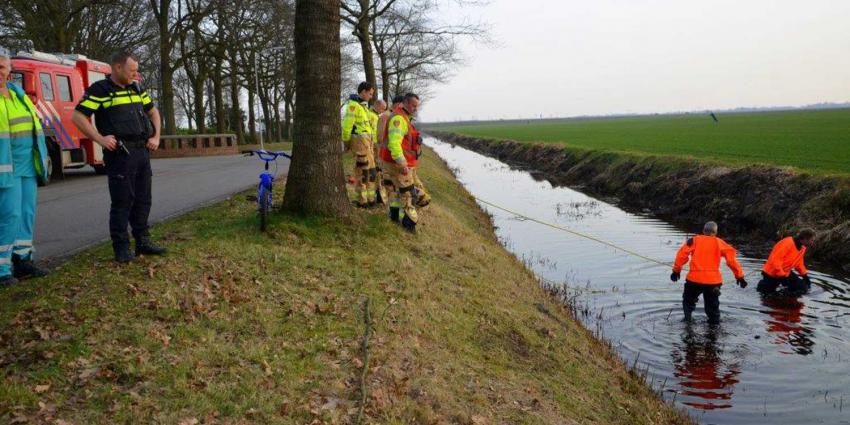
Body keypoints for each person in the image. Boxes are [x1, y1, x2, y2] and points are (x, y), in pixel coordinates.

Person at [71, 51, 166, 263]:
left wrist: (156, 136)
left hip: (142, 151)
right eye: (132, 70)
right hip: (120, 155)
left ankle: (143, 241)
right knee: (123, 201)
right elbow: (78, 116)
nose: (136, 74)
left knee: (143, 199)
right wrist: (100, 139)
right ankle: (121, 248)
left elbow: (153, 112)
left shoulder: (136, 88)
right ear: (117, 68)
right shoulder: (100, 90)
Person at [0, 50, 50, 286]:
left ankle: (23, 260)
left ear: (9, 69)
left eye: (1, 67)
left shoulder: (17, 93)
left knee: (26, 214)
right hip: (5, 169)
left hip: (27, 165)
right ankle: (2, 269)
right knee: (9, 216)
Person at [670, 221, 747, 324]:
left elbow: (681, 256)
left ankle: (688, 323)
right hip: (713, 283)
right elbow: (731, 261)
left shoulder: (694, 240)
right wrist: (739, 277)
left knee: (688, 302)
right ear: (715, 233)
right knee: (713, 308)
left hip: (694, 280)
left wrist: (676, 271)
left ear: (703, 231)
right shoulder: (720, 243)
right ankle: (714, 331)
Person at [380, 93, 432, 232]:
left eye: (417, 106)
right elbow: (394, 143)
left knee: (396, 192)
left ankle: (395, 216)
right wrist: (402, 163)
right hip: (399, 164)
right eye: (413, 105)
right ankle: (409, 225)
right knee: (408, 193)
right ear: (405, 103)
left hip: (398, 163)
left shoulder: (404, 118)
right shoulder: (399, 119)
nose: (416, 109)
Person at [341, 82, 377, 208]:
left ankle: (369, 200)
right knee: (363, 172)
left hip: (367, 144)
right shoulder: (354, 106)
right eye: (370, 93)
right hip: (361, 143)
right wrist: (346, 142)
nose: (371, 96)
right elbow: (346, 126)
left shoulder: (363, 107)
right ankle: (364, 200)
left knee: (370, 172)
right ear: (363, 92)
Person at [757, 229, 815, 294]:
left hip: (785, 272)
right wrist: (782, 277)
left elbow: (799, 264)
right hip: (772, 273)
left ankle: (790, 299)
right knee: (766, 293)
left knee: (802, 288)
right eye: (811, 240)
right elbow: (776, 261)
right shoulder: (788, 243)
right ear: (805, 239)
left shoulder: (802, 248)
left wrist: (805, 276)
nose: (812, 242)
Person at [370, 99, 388, 204]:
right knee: (376, 169)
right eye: (382, 108)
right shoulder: (371, 115)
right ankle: (376, 193)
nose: (382, 111)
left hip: (376, 146)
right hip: (372, 146)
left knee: (379, 170)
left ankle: (378, 191)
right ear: (377, 105)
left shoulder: (378, 116)